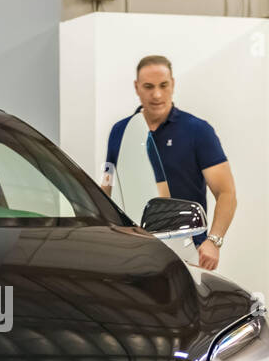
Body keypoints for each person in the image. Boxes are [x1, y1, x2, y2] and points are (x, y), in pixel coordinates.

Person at [102, 55, 238, 270]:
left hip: (186, 251)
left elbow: (226, 192)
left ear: (172, 84)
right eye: (148, 87)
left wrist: (214, 241)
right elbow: (108, 187)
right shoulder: (121, 131)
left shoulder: (197, 131)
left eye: (163, 85)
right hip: (133, 251)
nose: (156, 94)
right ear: (137, 87)